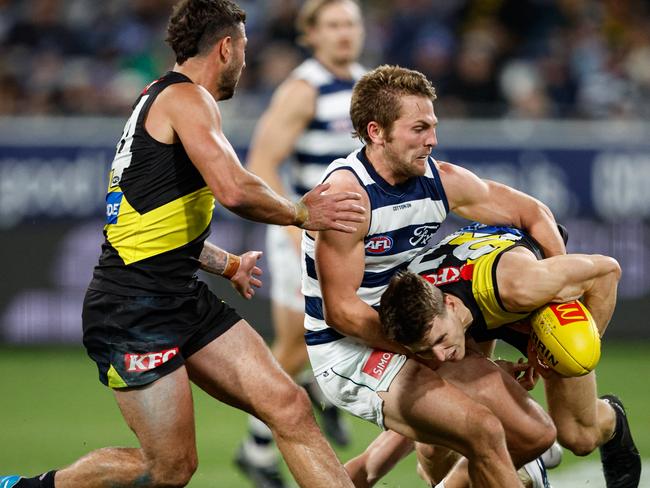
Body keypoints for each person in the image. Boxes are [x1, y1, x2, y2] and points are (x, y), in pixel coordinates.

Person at [0, 1, 365, 487]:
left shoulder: (160, 99)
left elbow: (148, 225)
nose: (245, 62)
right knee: (170, 468)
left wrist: (226, 262)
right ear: (225, 47)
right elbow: (234, 188)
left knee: (288, 405)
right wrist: (301, 212)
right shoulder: (187, 100)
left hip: (180, 296)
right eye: (244, 50)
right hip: (132, 309)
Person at [302, 64, 571, 488]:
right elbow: (342, 312)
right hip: (350, 350)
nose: (432, 139)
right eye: (419, 128)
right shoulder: (349, 198)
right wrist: (431, 347)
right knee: (483, 431)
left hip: (415, 329)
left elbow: (533, 213)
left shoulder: (439, 180)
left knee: (536, 436)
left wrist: (559, 301)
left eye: (433, 126)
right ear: (376, 132)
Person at [351, 222, 641, 488]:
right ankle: (521, 460)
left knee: (579, 436)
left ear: (450, 305)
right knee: (432, 452)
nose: (438, 356)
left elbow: (607, 271)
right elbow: (411, 426)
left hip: (530, 303)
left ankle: (610, 418)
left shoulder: (521, 285)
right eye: (425, 350)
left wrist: (578, 346)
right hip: (474, 313)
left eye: (439, 341)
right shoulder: (413, 322)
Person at [238, 0, 365, 485]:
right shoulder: (303, 89)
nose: (343, 33)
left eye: (350, 23)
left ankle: (321, 390)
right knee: (294, 346)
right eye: (332, 25)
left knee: (340, 331)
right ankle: (258, 450)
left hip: (351, 238)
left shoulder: (368, 83)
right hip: (303, 231)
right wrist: (294, 227)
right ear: (310, 35)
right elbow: (263, 163)